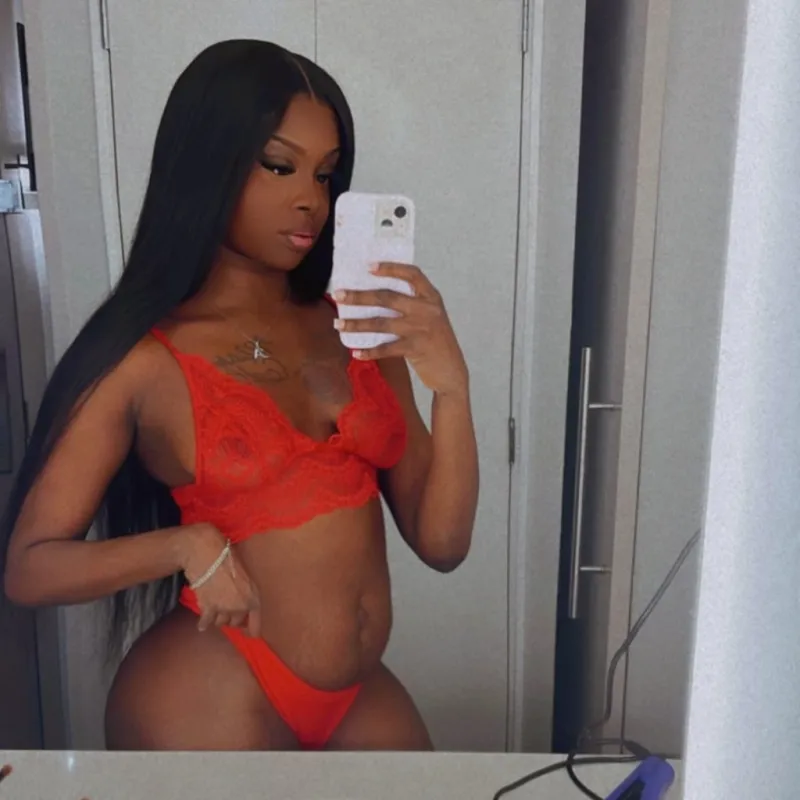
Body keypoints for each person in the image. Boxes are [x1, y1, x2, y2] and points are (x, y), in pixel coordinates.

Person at [1, 40, 478, 752]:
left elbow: (442, 545)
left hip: (357, 693)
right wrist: (185, 544)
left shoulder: (356, 329)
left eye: (326, 174)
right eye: (279, 166)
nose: (310, 199)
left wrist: (453, 387)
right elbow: (29, 568)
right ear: (208, 165)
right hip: (210, 689)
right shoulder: (142, 357)